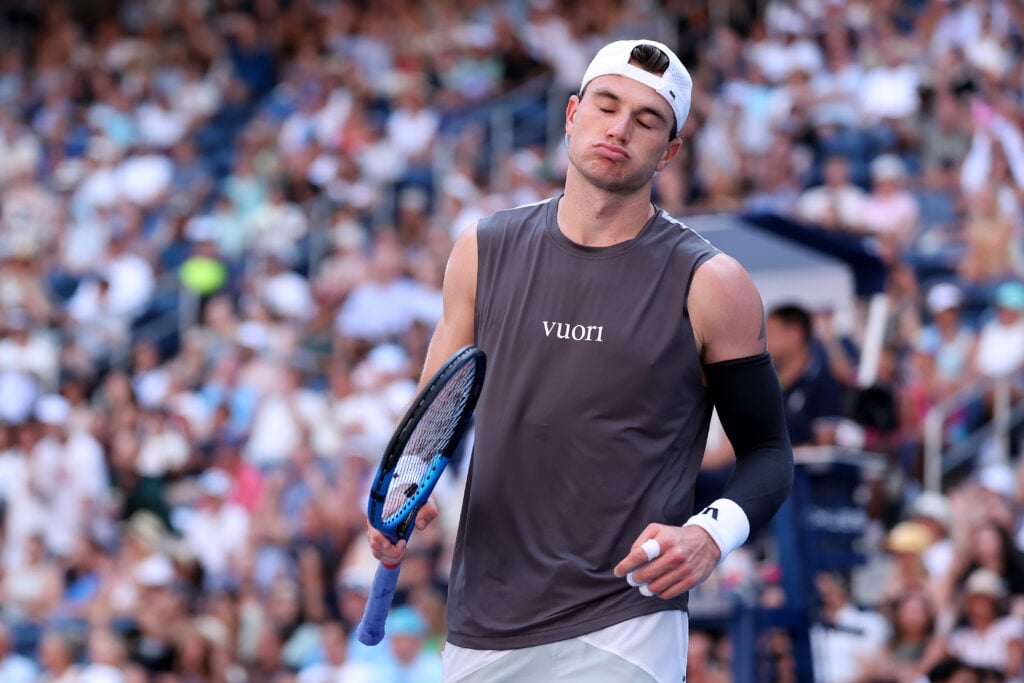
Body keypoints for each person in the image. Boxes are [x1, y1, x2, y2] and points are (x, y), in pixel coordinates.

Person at [367, 38, 794, 681]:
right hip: (481, 621)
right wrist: (408, 491)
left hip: (625, 624)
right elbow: (432, 423)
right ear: (572, 114)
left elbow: (769, 452)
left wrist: (710, 535)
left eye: (647, 121)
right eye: (607, 106)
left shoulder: (713, 283)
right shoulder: (482, 248)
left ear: (670, 151)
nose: (620, 129)